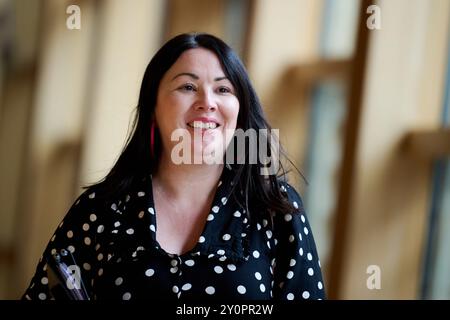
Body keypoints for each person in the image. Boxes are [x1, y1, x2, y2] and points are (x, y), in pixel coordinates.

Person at [22, 33, 325, 300]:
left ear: (240, 111)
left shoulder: (274, 210)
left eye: (223, 89)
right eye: (188, 87)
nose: (207, 102)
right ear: (152, 107)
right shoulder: (100, 209)